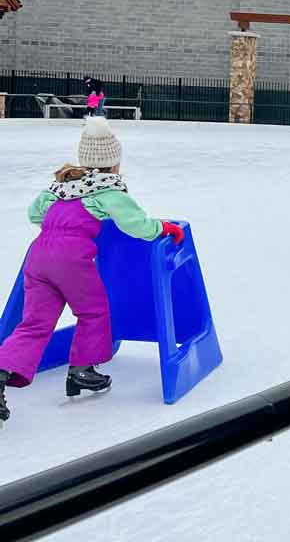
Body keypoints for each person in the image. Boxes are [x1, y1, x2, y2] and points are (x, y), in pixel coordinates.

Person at [0, 117, 184, 423]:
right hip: (71, 259)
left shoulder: (62, 185)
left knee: (35, 323)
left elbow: (35, 213)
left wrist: (59, 228)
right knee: (93, 311)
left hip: (39, 256)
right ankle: (82, 370)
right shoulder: (108, 190)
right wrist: (161, 228)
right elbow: (135, 225)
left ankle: (1, 372)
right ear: (114, 162)